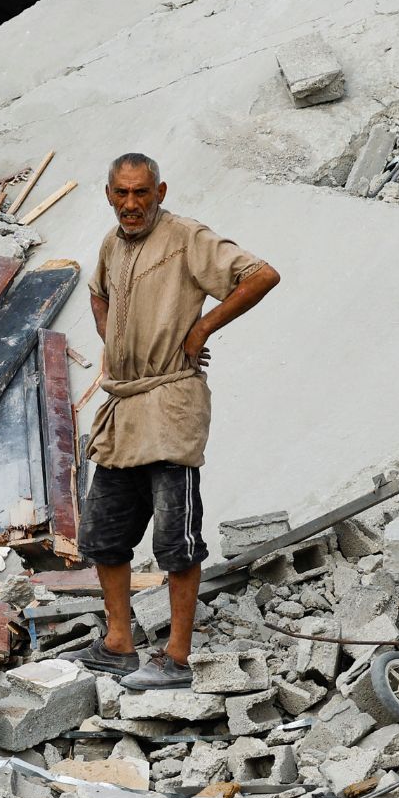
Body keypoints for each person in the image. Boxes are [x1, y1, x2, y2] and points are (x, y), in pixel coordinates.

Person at [69, 152, 281, 690]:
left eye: (142, 192)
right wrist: (112, 342)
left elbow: (261, 275)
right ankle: (119, 642)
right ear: (109, 194)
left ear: (160, 193)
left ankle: (177, 657)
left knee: (175, 539)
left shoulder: (186, 237)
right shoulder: (112, 243)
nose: (131, 203)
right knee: (103, 535)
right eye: (122, 193)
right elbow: (97, 292)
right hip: (124, 405)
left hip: (170, 402)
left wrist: (201, 329)